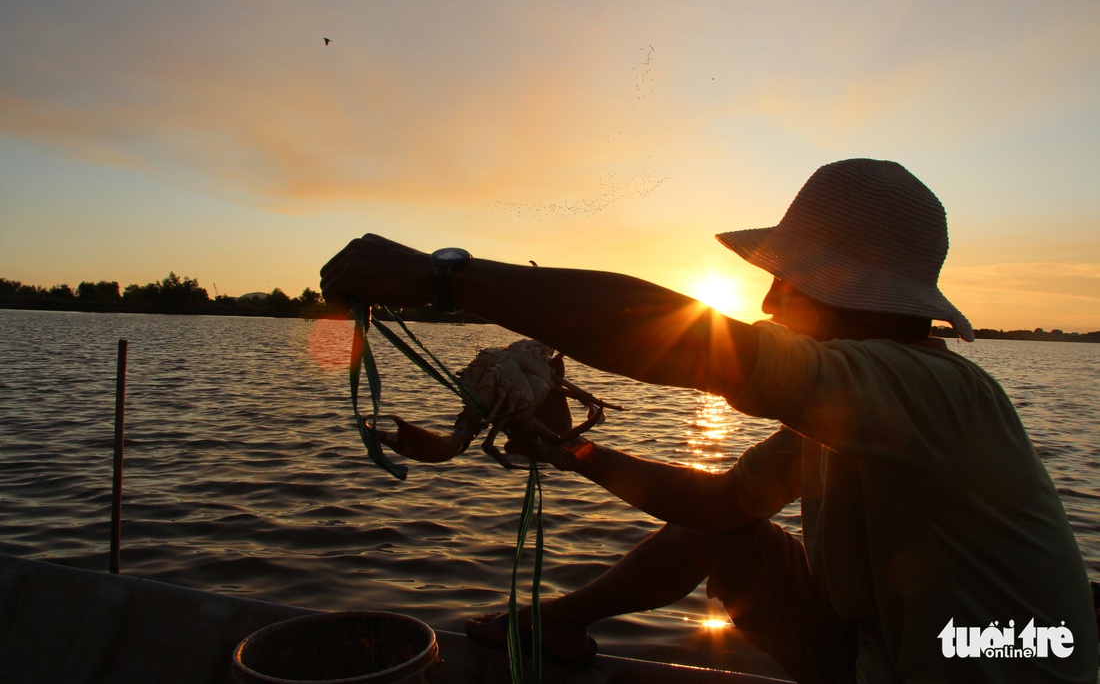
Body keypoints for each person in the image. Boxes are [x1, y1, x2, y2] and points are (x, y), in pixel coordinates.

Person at [320, 158, 1099, 683]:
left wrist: (443, 277)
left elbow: (705, 351)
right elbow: (721, 506)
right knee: (734, 525)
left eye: (786, 281)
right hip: (879, 656)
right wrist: (571, 447)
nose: (767, 304)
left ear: (842, 287)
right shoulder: (853, 408)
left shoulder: (935, 393)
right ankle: (557, 623)